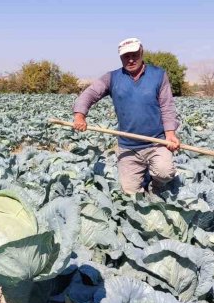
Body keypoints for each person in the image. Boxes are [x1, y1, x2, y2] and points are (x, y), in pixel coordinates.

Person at [72, 37, 181, 194]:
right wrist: (79, 116)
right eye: (126, 56)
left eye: (134, 55)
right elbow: (90, 93)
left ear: (141, 52)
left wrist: (170, 134)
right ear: (121, 58)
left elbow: (167, 106)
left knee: (165, 172)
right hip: (128, 147)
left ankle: (156, 187)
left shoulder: (158, 75)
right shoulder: (112, 78)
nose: (130, 60)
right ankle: (142, 178)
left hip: (156, 142)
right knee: (130, 193)